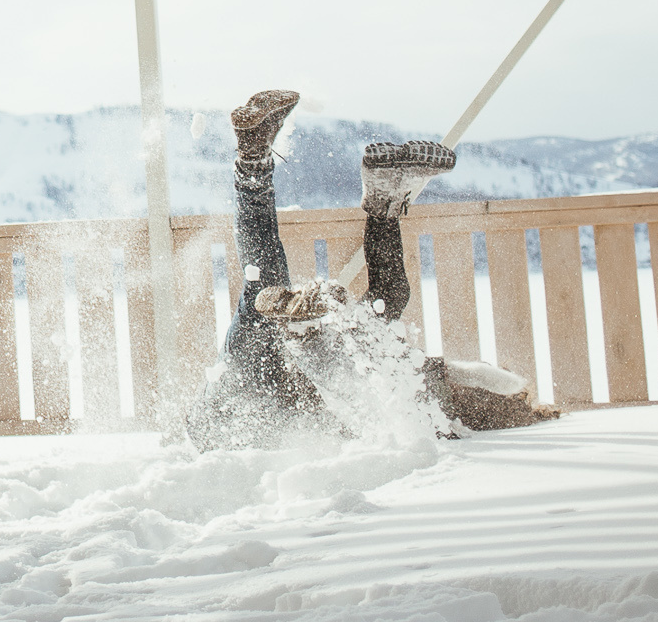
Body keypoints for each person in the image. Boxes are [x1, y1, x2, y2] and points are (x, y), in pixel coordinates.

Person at [188, 87, 552, 448]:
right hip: (255, 398)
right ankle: (369, 202)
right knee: (359, 310)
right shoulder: (416, 396)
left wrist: (513, 392)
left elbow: (489, 379)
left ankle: (258, 162)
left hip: (236, 419)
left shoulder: (422, 404)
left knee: (280, 293)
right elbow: (481, 379)